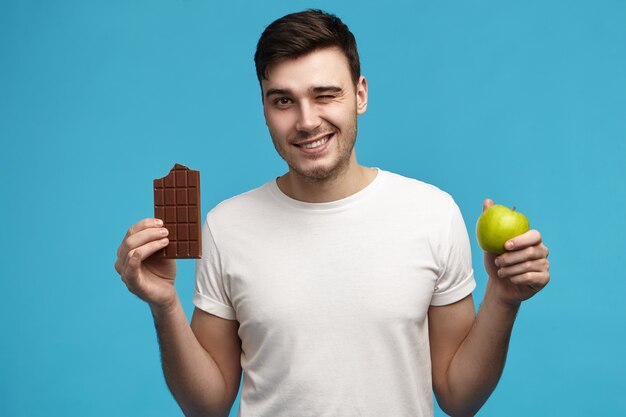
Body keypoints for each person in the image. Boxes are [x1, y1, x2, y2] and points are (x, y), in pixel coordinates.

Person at [114, 9, 550, 417]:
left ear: (360, 94)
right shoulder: (226, 226)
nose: (306, 121)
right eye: (283, 101)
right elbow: (207, 406)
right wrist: (165, 305)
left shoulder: (432, 213)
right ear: (264, 108)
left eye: (325, 95)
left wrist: (503, 297)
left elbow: (459, 397)